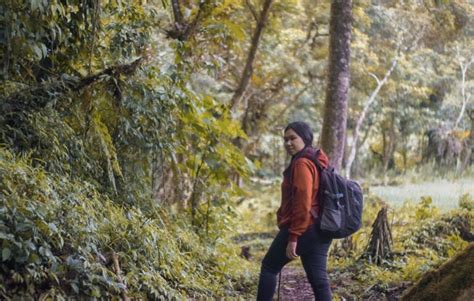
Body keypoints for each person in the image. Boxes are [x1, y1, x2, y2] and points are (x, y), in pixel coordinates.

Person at [257, 121, 333, 301]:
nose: (288, 143)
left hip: (304, 228)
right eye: (285, 140)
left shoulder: (301, 163)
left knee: (269, 267)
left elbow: (302, 201)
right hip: (321, 226)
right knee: (319, 280)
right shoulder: (316, 157)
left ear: (305, 138)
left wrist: (293, 237)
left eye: (293, 138)